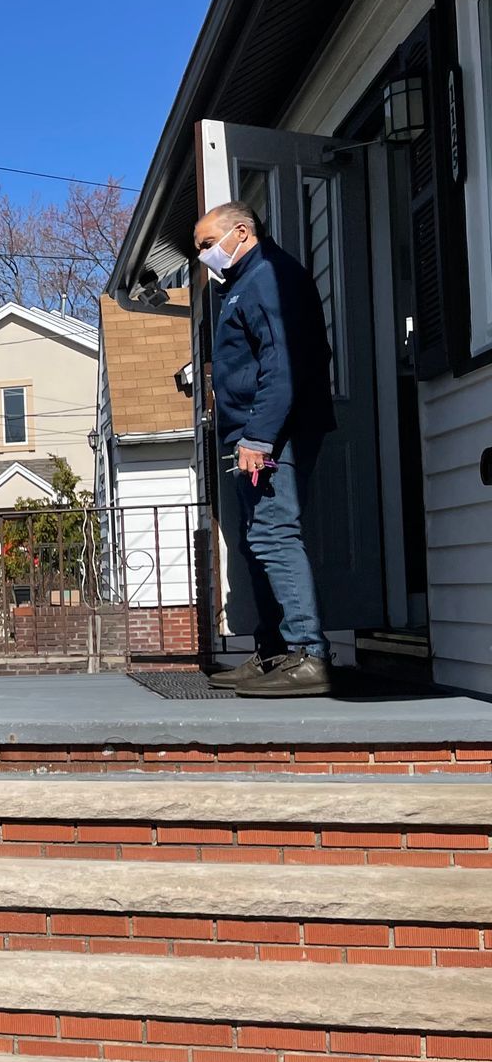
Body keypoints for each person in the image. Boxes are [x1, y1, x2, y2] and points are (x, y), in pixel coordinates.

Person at [195, 201, 335, 698]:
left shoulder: (272, 277)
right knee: (255, 539)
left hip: (273, 435)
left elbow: (285, 363)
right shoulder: (240, 286)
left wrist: (259, 436)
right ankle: (274, 651)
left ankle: (309, 655)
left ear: (241, 232)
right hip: (248, 434)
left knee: (274, 534)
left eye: (208, 244)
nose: (204, 256)